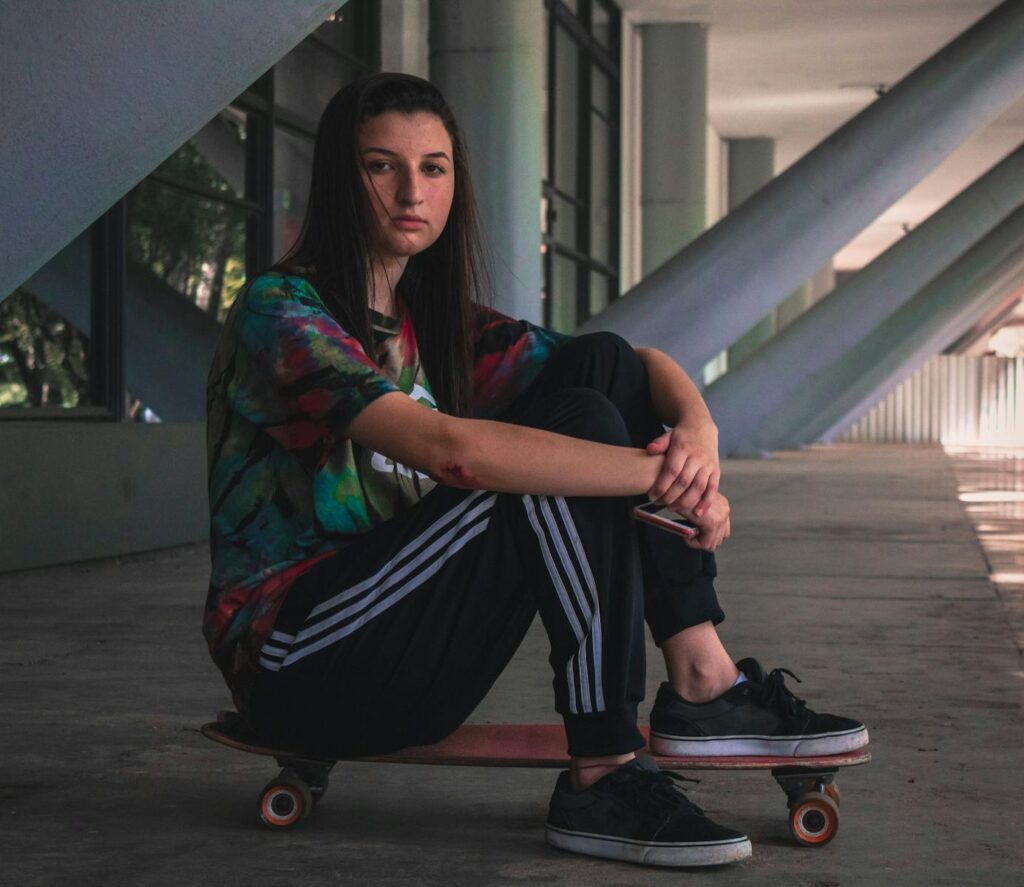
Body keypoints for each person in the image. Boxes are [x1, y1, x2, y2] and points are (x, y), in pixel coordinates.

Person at [203, 72, 867, 868]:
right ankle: (603, 771)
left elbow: (635, 365)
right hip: (301, 660)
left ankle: (703, 680)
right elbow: (451, 453)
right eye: (382, 166)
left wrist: (699, 434)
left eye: (434, 167)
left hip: (405, 636)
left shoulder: (434, 326)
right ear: (341, 180)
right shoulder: (282, 311)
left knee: (600, 367)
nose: (412, 191)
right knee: (568, 437)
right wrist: (662, 481)